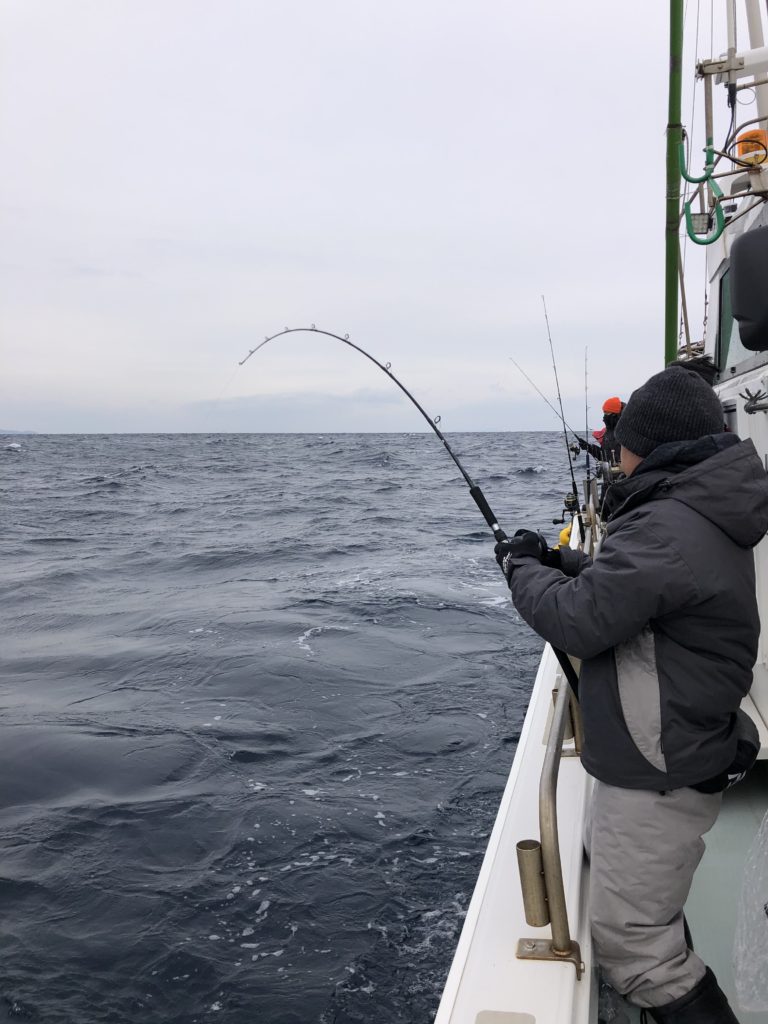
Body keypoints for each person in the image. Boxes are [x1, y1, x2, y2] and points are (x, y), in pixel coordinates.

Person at [494, 365, 768, 1023]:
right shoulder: (692, 510)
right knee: (652, 919)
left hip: (658, 770)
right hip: (680, 745)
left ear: (647, 446)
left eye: (621, 445)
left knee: (637, 952)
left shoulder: (666, 524)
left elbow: (579, 619)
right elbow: (636, 591)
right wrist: (561, 562)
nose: (613, 457)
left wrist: (518, 568)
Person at [577, 396, 624, 464]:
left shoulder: (626, 430)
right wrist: (589, 448)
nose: (604, 416)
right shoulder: (607, 432)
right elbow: (604, 456)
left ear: (615, 414)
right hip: (610, 472)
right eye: (604, 412)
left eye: (607, 413)